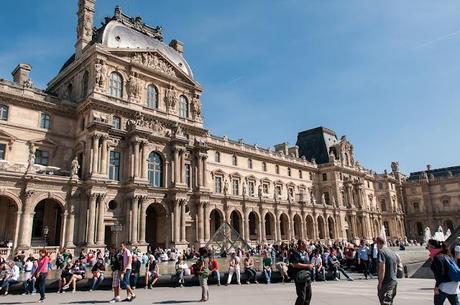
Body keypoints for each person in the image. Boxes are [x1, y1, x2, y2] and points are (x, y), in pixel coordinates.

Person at [428, 239, 459, 305]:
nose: (428, 248)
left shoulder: (437, 257)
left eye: (429, 246)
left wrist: (437, 287)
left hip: (444, 286)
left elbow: (440, 274)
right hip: (454, 284)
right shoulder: (447, 255)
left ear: (432, 247)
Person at [289, 239, 313, 305]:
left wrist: (311, 264)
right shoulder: (295, 252)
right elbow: (295, 264)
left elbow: (310, 262)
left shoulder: (306, 253)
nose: (307, 244)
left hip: (307, 275)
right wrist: (308, 265)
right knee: (302, 297)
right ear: (301, 244)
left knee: (308, 296)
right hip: (300, 276)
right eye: (306, 243)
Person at [376, 237, 398, 305]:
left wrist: (380, 283)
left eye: (376, 244)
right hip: (393, 281)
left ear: (378, 243)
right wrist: (394, 276)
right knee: (389, 302)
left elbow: (382, 269)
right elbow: (395, 267)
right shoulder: (392, 252)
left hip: (386, 283)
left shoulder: (381, 252)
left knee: (385, 303)